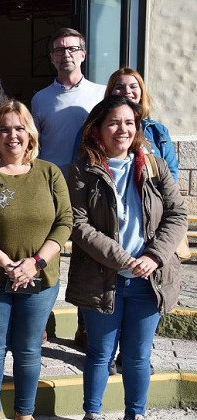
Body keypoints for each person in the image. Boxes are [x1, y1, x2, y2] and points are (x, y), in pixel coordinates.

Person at [66, 95, 187, 420]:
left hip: (149, 281)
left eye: (129, 123)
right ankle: (93, 413)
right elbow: (78, 224)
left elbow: (177, 214)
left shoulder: (153, 165)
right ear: (99, 128)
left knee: (137, 356)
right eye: (114, 122)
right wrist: (120, 258)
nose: (122, 129)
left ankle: (137, 414)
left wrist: (155, 256)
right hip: (103, 279)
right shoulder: (83, 168)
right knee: (99, 354)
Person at [0, 100, 72, 420]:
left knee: (28, 351)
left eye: (19, 128)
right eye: (4, 129)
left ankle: (25, 414)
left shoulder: (50, 173)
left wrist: (35, 262)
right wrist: (6, 263)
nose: (12, 135)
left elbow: (65, 222)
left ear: (30, 134)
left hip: (39, 279)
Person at [31, 27, 105, 177]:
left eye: (72, 49)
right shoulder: (40, 99)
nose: (66, 54)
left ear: (83, 55)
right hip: (52, 179)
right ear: (52, 58)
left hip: (92, 179)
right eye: (59, 50)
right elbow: (34, 145)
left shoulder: (102, 94)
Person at [105, 67, 179, 180]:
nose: (127, 91)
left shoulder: (157, 131)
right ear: (110, 93)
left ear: (141, 93)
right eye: (120, 87)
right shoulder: (95, 129)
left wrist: (158, 196)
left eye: (133, 86)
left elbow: (171, 172)